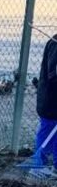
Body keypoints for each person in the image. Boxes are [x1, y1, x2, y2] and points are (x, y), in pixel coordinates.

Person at [21, 35, 57, 178]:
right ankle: (38, 165)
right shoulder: (55, 44)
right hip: (51, 100)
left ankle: (55, 165)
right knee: (48, 129)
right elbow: (53, 74)